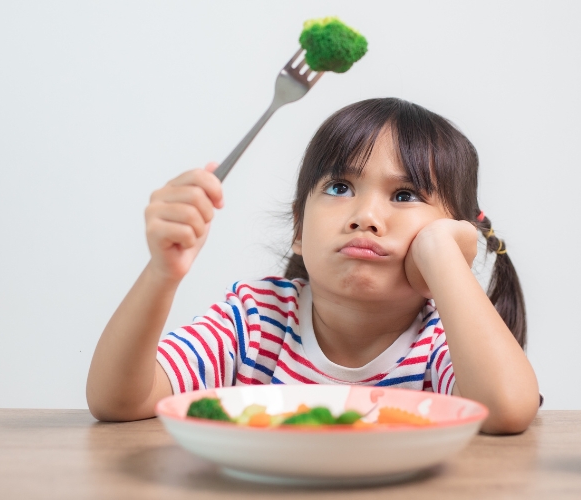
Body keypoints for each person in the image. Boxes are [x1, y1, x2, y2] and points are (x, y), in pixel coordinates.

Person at [86, 98, 539, 433]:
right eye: (340, 187)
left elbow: (506, 409)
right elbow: (119, 400)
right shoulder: (255, 319)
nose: (366, 216)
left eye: (405, 196)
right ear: (299, 228)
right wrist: (162, 275)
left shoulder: (442, 340)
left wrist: (444, 257)